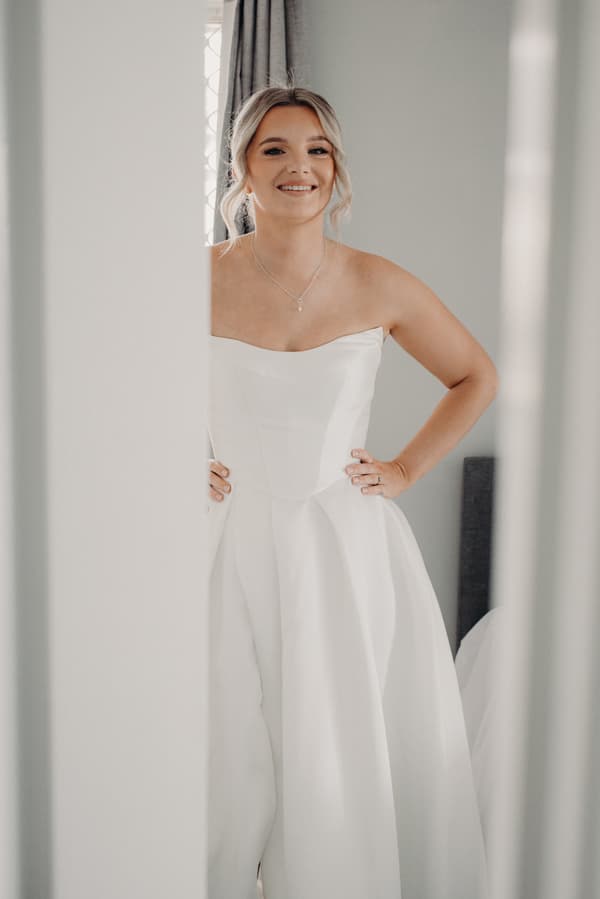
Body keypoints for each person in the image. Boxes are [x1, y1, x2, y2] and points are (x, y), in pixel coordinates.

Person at [207, 84, 497, 899]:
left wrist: (403, 469)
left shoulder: (380, 282)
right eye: (275, 149)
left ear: (335, 170)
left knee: (334, 752)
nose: (299, 166)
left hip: (343, 547)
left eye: (317, 150)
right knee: (221, 759)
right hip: (226, 540)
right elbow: (109, 384)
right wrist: (164, 461)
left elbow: (475, 374)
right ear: (242, 169)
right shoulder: (189, 278)